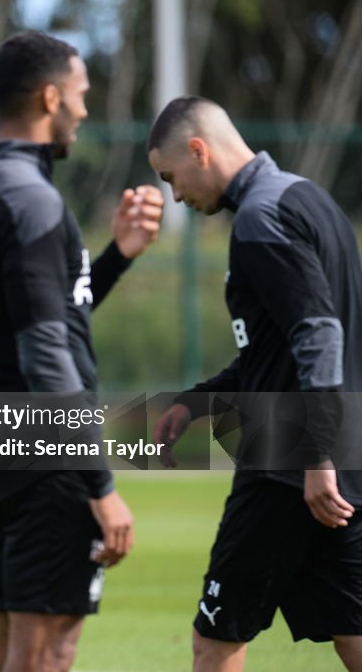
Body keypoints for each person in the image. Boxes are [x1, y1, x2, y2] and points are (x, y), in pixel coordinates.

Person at [0, 30, 163, 671]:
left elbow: (42, 316)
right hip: (48, 451)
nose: (85, 110)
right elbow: (45, 353)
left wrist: (115, 257)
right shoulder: (32, 199)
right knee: (47, 651)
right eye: (81, 95)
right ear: (49, 97)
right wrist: (99, 483)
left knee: (2, 646)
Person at [150, 95, 362, 670]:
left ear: (199, 150)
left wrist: (314, 454)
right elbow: (276, 350)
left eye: (171, 177)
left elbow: (318, 334)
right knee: (355, 635)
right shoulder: (311, 199)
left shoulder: (260, 217)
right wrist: (195, 405)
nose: (176, 196)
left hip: (289, 462)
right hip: (341, 455)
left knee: (215, 640)